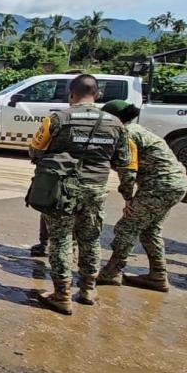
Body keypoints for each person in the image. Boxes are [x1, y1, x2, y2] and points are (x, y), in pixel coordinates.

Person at [29, 74, 132, 315]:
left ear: (70, 93)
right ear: (97, 95)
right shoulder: (115, 124)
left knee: (62, 239)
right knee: (90, 238)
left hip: (62, 189)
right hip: (95, 189)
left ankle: (62, 294)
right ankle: (87, 289)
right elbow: (125, 161)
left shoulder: (57, 118)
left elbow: (35, 150)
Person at [97, 100, 187, 291]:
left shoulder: (126, 134)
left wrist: (128, 197)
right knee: (150, 230)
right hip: (174, 184)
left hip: (160, 186)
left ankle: (112, 273)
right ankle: (158, 275)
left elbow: (128, 169)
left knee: (126, 227)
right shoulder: (136, 129)